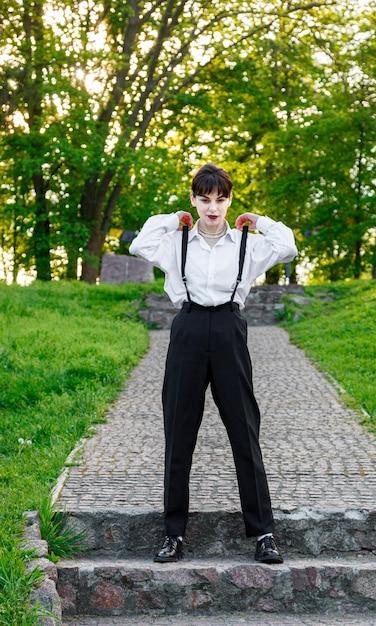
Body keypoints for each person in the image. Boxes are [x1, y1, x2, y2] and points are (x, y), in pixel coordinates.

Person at [129, 163, 297, 564]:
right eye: (204, 199)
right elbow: (139, 244)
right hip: (187, 329)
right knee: (179, 434)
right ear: (194, 200)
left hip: (228, 330)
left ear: (229, 200)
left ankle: (263, 534)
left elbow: (287, 244)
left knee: (244, 432)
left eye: (220, 199)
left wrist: (257, 220)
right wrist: (173, 220)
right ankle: (173, 534)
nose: (212, 208)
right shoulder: (177, 242)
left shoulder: (247, 244)